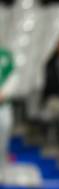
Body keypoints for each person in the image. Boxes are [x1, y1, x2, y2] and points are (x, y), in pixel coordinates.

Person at [0, 46, 17, 180]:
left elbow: (13, 77)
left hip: (3, 105)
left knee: (4, 133)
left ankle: (1, 169)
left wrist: (4, 93)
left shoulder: (5, 56)